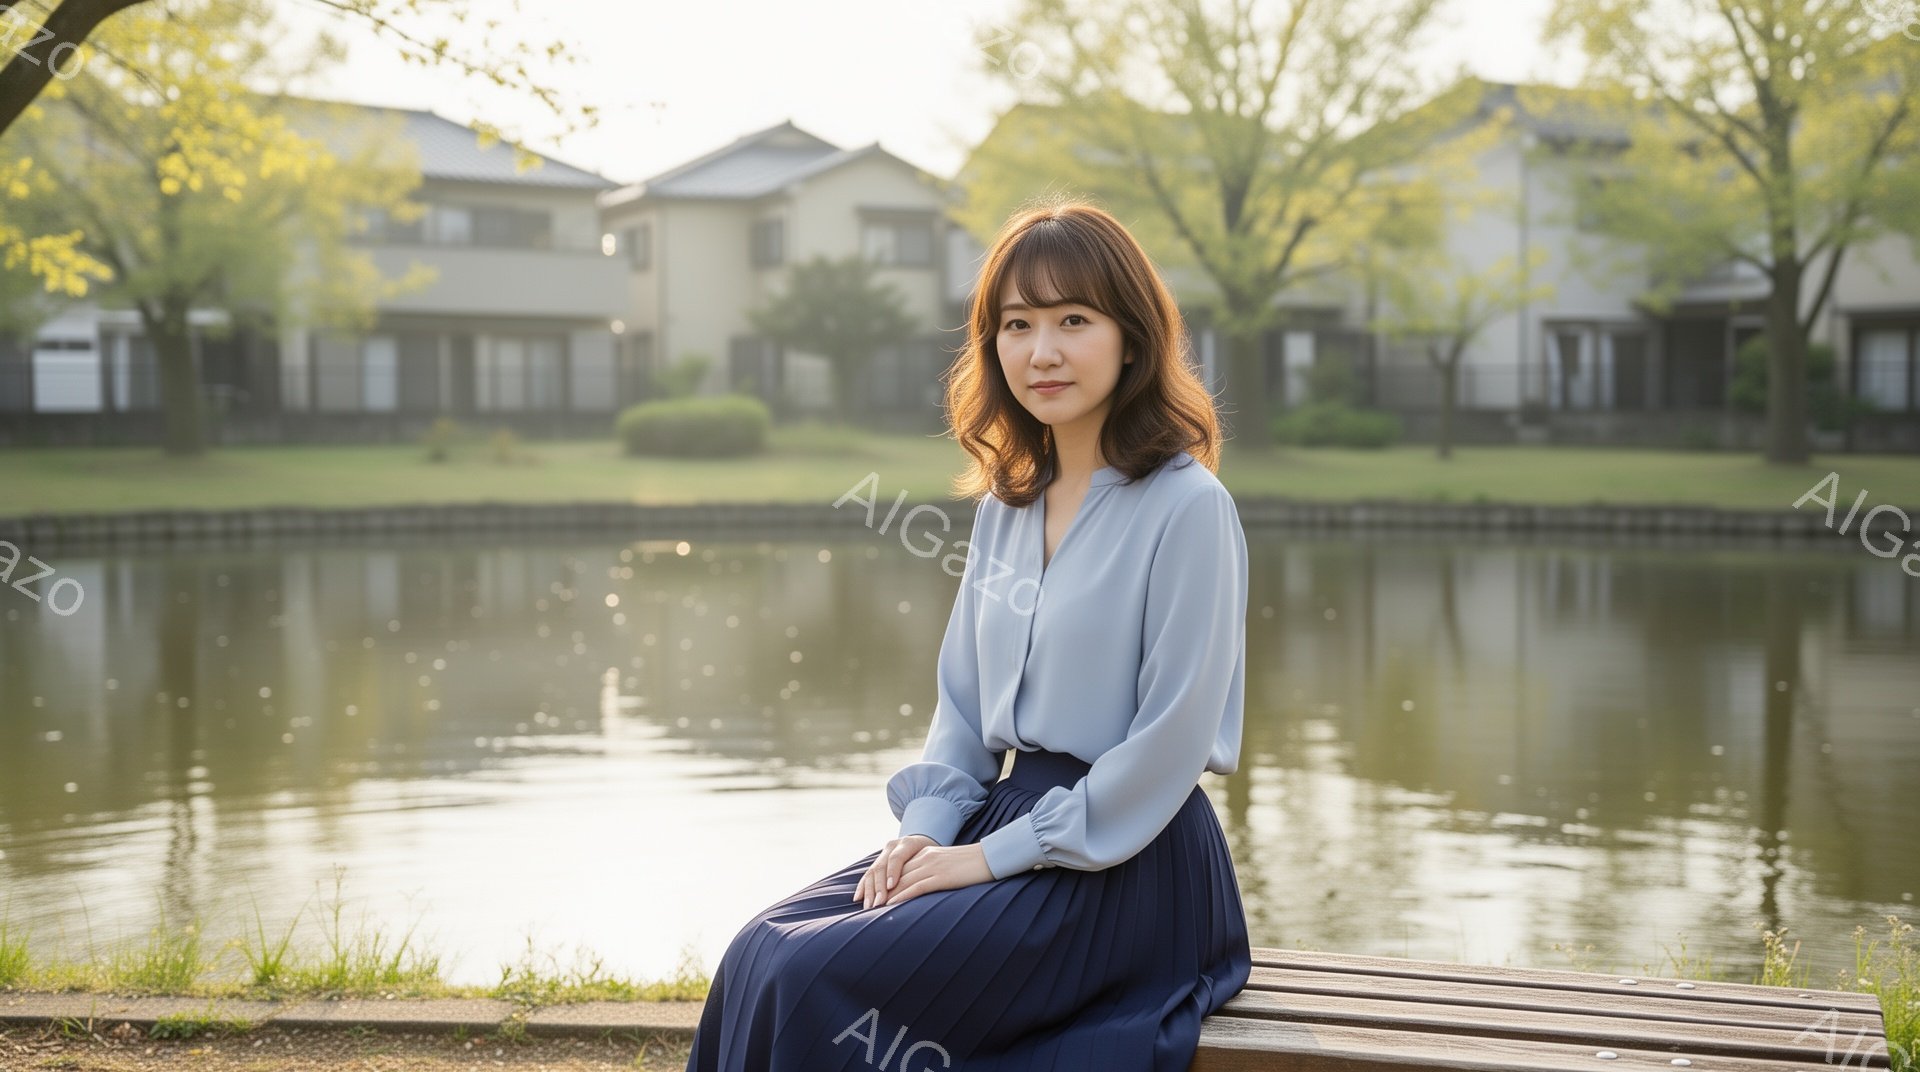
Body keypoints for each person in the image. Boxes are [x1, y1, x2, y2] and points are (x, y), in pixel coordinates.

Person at [684, 199, 1252, 1072]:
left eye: (1074, 320)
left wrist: (988, 860)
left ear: (1132, 337)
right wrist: (925, 829)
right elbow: (963, 706)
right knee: (762, 947)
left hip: (1128, 862)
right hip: (1000, 822)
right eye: (1016, 325)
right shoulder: (1006, 507)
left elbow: (1170, 743)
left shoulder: (1188, 508)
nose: (1042, 351)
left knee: (811, 976)